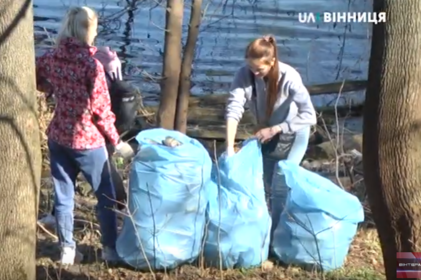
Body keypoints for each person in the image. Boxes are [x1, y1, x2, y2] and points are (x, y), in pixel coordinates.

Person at [36, 6, 131, 265]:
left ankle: (67, 249)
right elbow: (101, 110)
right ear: (86, 30)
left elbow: (37, 78)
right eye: (95, 28)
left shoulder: (50, 58)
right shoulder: (92, 65)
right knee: (106, 197)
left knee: (63, 197)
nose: (96, 32)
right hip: (88, 142)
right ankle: (110, 250)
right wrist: (117, 141)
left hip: (58, 137)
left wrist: (50, 88)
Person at [38, 45, 137, 227]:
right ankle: (120, 211)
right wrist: (117, 141)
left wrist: (116, 140)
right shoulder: (101, 59)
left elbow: (99, 109)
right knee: (104, 172)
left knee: (77, 181)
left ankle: (117, 213)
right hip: (100, 128)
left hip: (89, 132)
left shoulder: (87, 62)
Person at [224, 35, 317, 229]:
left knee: (282, 183)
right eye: (251, 68)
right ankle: (264, 231)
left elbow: (309, 115)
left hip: (293, 132)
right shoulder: (244, 75)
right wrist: (229, 148)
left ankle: (278, 233)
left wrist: (276, 129)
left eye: (260, 69)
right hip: (266, 132)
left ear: (272, 62)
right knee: (264, 184)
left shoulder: (289, 77)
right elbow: (234, 110)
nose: (255, 73)